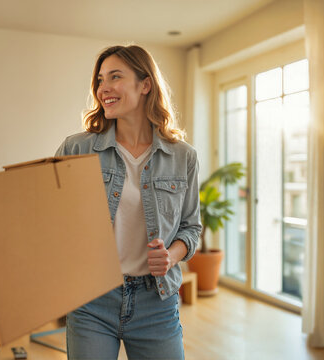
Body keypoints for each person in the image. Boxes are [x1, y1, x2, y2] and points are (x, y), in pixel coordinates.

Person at [55, 45, 201, 359]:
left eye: (115, 77)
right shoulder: (77, 148)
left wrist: (172, 257)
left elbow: (191, 228)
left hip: (156, 302)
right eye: (100, 80)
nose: (102, 88)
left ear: (145, 84)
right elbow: (55, 220)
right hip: (92, 299)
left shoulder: (182, 156)